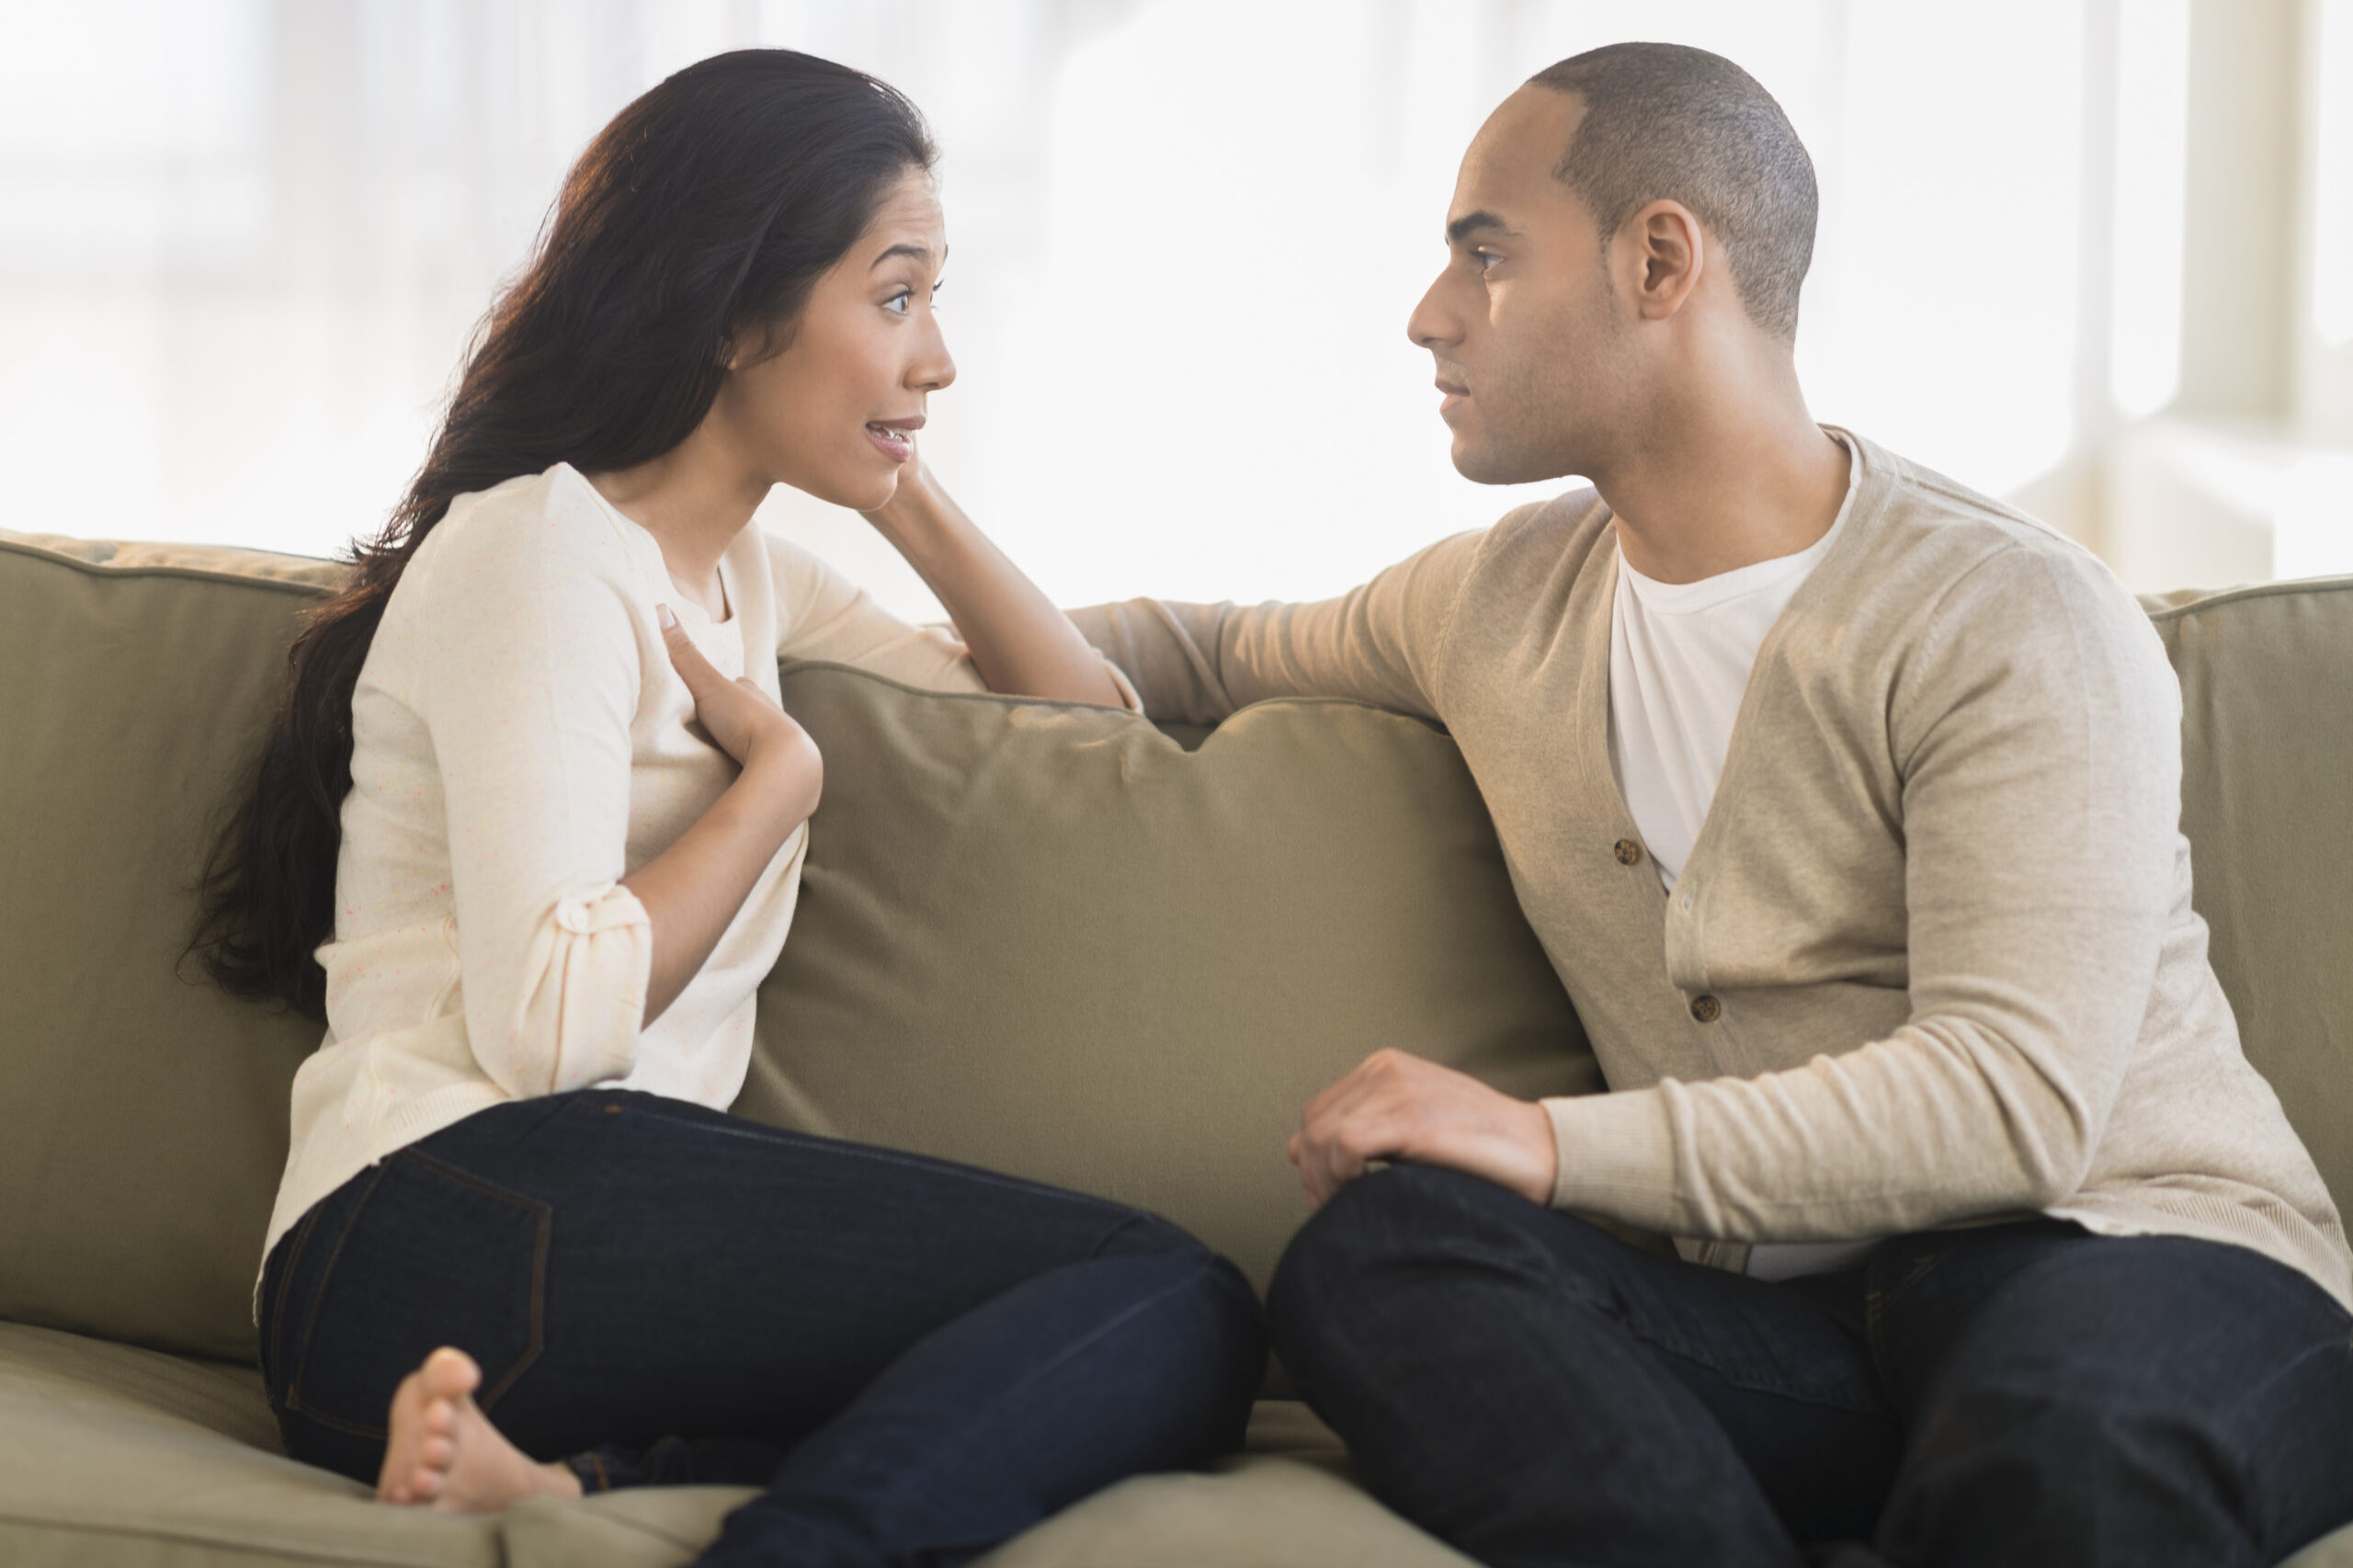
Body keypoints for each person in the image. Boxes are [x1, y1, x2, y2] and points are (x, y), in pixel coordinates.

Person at [1071, 40, 2353, 1568]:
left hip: (2135, 1259)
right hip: (1800, 1337)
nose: (1430, 315)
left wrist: (1548, 1145)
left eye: (1485, 255)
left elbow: (2016, 1101)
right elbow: (1190, 650)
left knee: (2066, 1451)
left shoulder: (2010, 616)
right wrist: (819, 574)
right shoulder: (1497, 600)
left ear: (1660, 258)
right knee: (1379, 1253)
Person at [192, 50, 1261, 1568]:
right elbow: (550, 1028)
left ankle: (567, 1479)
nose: (940, 355)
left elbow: (1080, 728)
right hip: (431, 1221)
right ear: (737, 310)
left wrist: (901, 475)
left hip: (517, 1282)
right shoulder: (541, 552)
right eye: (897, 299)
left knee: (1137, 1336)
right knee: (1163, 1289)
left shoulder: (747, 579)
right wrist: (778, 786)